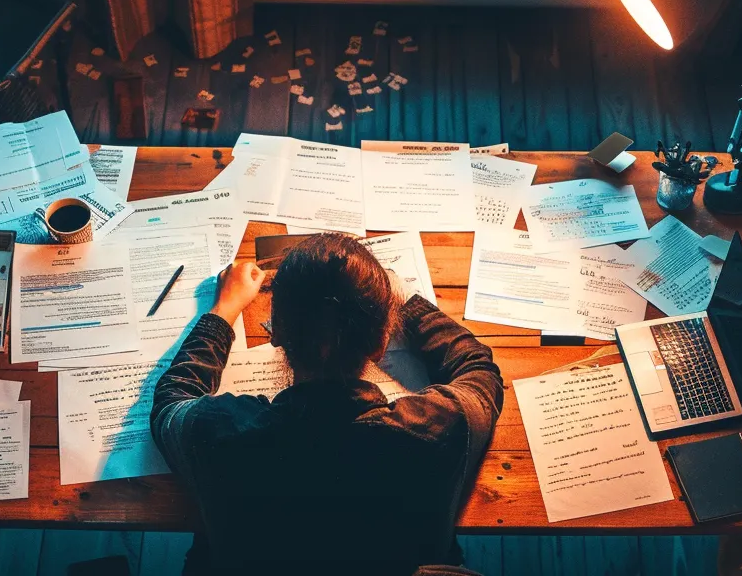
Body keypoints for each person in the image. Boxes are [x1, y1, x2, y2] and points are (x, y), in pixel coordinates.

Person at [151, 233, 504, 575]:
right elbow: (479, 371)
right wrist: (405, 296)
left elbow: (172, 401)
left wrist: (223, 310)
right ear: (381, 342)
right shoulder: (439, 428)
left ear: (277, 333)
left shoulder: (220, 432)